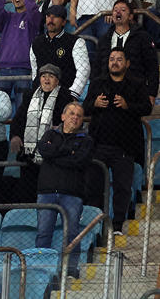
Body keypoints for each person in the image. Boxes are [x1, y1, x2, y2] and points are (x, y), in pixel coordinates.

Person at [84, 48, 150, 234]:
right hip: (98, 145)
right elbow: (85, 107)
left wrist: (128, 106)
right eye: (112, 59)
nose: (114, 62)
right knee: (94, 188)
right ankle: (96, 228)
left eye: (119, 59)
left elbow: (146, 107)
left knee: (122, 187)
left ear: (127, 63)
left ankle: (118, 225)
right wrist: (94, 104)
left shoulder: (136, 84)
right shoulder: (98, 83)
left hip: (124, 147)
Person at [36, 101, 93, 278]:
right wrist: (68, 151)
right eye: (71, 113)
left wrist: (54, 154)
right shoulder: (50, 133)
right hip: (47, 192)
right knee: (43, 233)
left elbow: (79, 161)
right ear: (62, 116)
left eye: (79, 115)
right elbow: (43, 149)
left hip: (72, 194)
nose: (75, 117)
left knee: (73, 234)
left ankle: (71, 270)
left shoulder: (86, 140)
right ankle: (41, 271)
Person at [9, 64, 74, 203]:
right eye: (43, 76)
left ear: (57, 81)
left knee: (47, 194)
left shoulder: (65, 97)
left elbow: (68, 124)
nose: (46, 79)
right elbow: (19, 119)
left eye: (51, 76)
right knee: (27, 194)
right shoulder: (30, 95)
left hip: (52, 156)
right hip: (29, 154)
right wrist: (15, 136)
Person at [92, 0, 158, 102]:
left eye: (123, 10)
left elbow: (152, 68)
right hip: (107, 93)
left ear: (130, 16)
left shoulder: (143, 38)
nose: (118, 12)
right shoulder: (104, 40)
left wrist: (152, 94)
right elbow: (96, 69)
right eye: (115, 10)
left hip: (135, 93)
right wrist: (94, 94)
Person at [0, 0, 42, 107]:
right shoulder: (7, 17)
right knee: (0, 110)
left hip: (23, 68)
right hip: (3, 68)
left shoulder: (33, 18)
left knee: (22, 108)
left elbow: (33, 10)